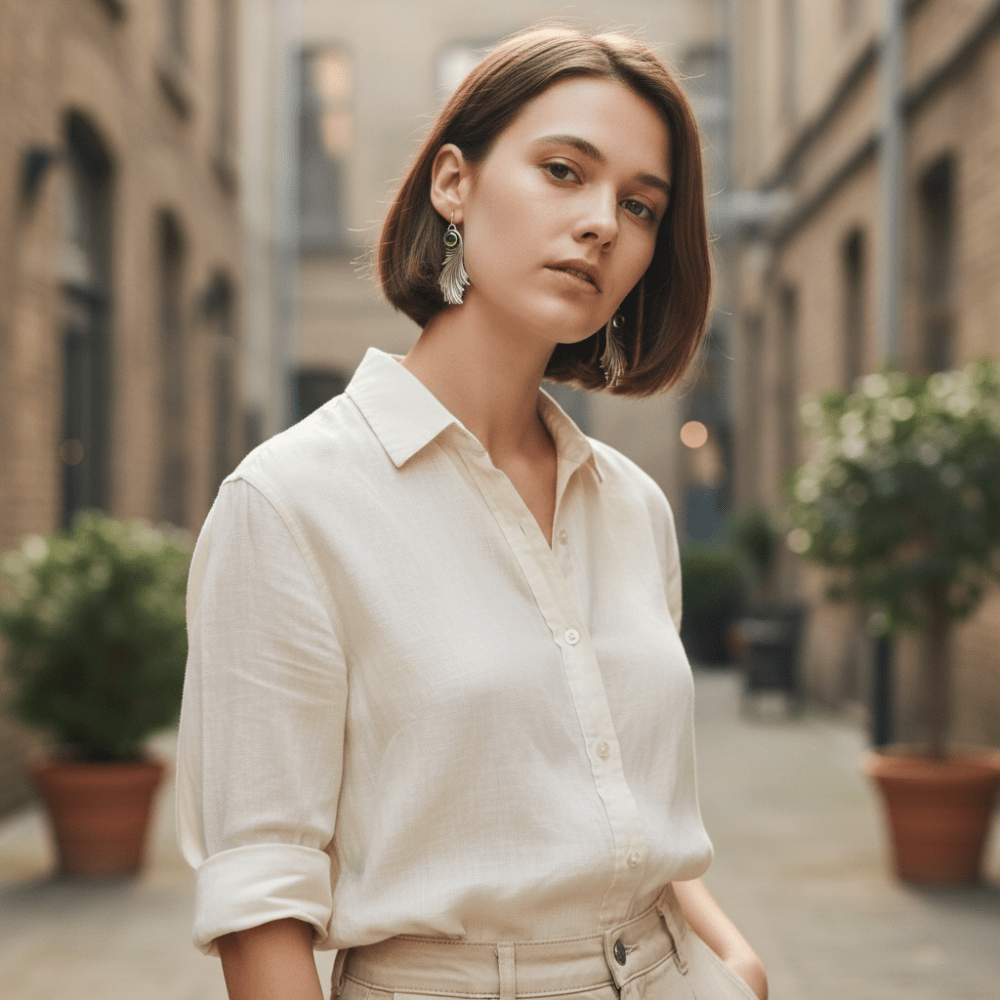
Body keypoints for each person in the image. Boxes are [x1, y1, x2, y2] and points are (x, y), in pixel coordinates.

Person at [176, 24, 768, 1000]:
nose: (601, 225)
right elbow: (258, 905)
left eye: (639, 205)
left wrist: (732, 965)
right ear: (453, 183)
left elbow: (636, 813)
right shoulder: (289, 503)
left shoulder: (634, 507)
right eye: (562, 170)